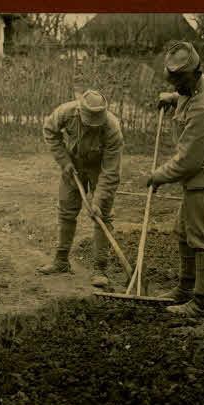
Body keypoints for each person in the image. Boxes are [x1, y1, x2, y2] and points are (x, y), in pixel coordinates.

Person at [148, 41, 204, 318]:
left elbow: (188, 161)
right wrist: (172, 98)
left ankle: (199, 304)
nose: (176, 87)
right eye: (172, 81)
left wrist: (157, 176)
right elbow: (186, 97)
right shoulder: (195, 85)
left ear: (195, 74)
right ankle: (185, 289)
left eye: (179, 82)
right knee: (184, 233)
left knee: (203, 240)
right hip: (197, 178)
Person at [39, 90, 124, 289]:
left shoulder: (112, 129)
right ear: (80, 112)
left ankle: (100, 268)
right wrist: (64, 160)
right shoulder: (66, 112)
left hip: (99, 168)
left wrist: (98, 200)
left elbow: (110, 172)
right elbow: (49, 131)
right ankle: (61, 261)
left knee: (101, 215)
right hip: (73, 164)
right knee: (67, 210)